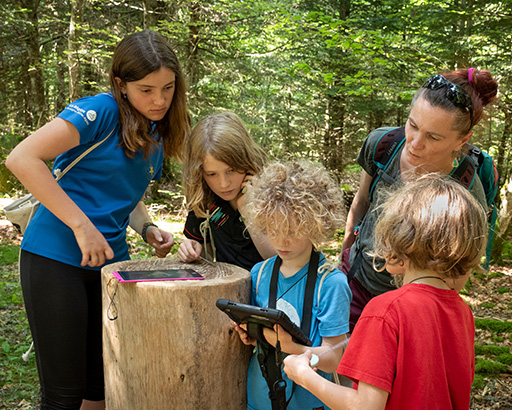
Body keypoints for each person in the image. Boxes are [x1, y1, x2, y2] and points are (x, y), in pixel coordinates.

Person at [5, 30, 190, 410]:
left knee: (101, 389)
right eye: (146, 90)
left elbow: (126, 195)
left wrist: (147, 226)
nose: (159, 100)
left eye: (168, 88)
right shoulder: (101, 111)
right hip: (54, 258)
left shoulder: (157, 129)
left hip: (109, 267)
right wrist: (81, 224)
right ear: (121, 85)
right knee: (63, 396)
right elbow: (22, 158)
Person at [284, 175, 488, 410]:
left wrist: (305, 377)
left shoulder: (386, 310)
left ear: (403, 239)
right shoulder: (462, 311)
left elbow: (365, 406)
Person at [341, 68, 498, 329]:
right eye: (413, 125)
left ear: (463, 140)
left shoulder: (466, 191)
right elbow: (360, 204)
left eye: (433, 137)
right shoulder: (382, 145)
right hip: (354, 283)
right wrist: (343, 260)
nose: (414, 143)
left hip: (407, 310)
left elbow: (460, 274)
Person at [234, 161, 351, 410]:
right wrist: (251, 335)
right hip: (259, 399)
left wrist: (291, 347)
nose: (281, 240)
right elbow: (260, 340)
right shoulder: (260, 273)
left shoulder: (331, 283)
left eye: (293, 230)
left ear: (315, 224)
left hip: (310, 403)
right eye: (273, 229)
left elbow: (334, 359)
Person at [178, 111, 275, 270]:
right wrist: (190, 250)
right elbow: (203, 256)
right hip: (229, 287)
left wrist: (248, 210)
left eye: (232, 170)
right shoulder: (205, 198)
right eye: (211, 174)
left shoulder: (273, 192)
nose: (223, 184)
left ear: (246, 160)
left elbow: (279, 258)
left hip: (276, 290)